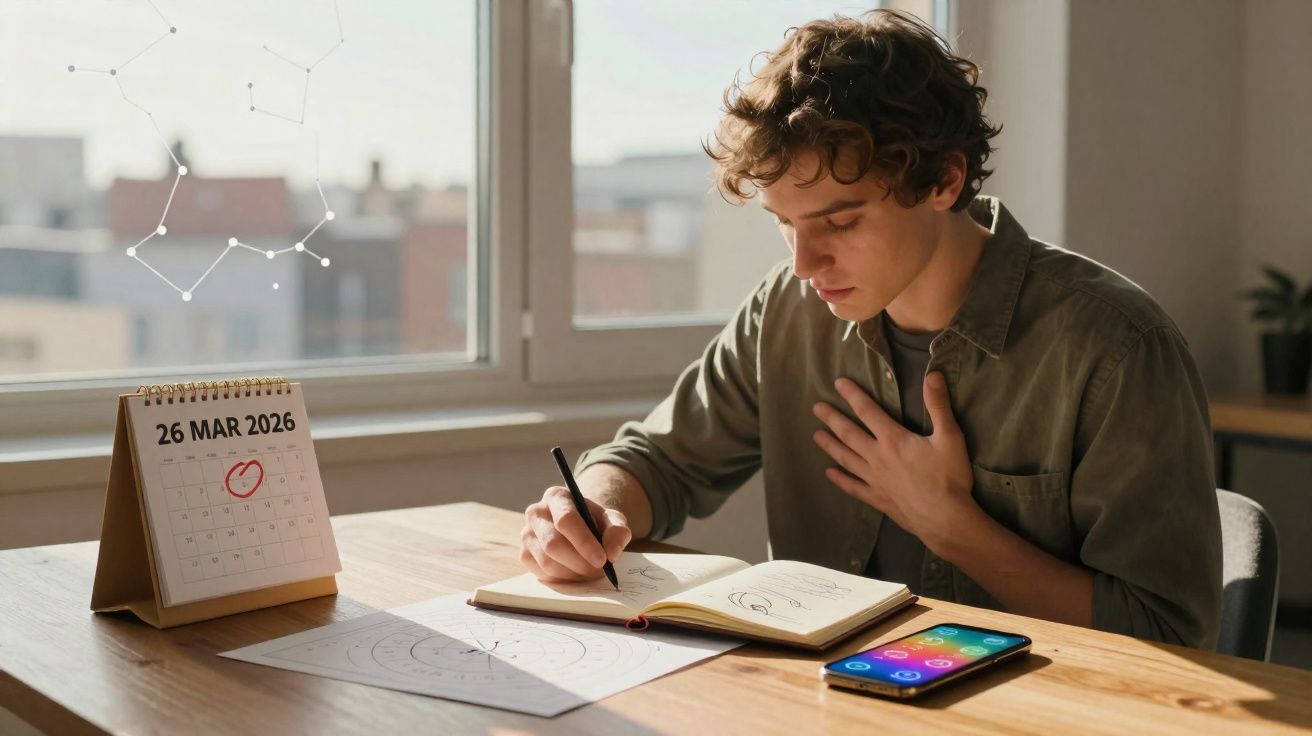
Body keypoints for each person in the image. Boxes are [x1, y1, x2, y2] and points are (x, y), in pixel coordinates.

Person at [518, 9, 1222, 649]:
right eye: (784, 225)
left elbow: (1167, 633)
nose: (803, 264)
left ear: (945, 182)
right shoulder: (788, 311)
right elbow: (657, 462)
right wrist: (584, 512)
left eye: (840, 222)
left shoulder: (1116, 347)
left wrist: (952, 525)